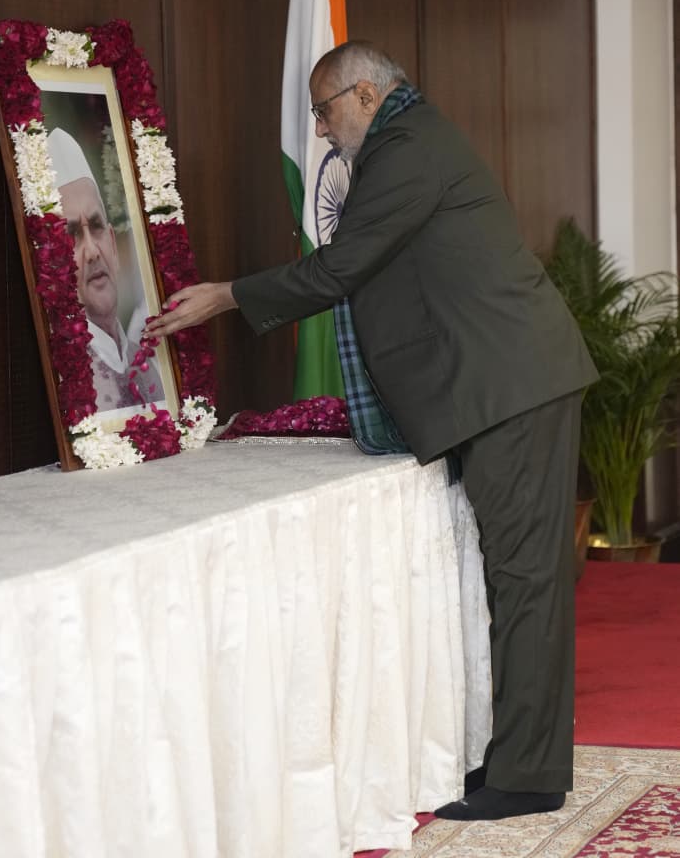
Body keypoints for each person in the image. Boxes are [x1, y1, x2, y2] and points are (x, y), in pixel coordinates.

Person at [146, 40, 598, 821]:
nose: (320, 130)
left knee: (524, 585)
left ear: (362, 93)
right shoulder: (407, 140)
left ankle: (526, 779)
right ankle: (519, 760)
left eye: (323, 111)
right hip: (502, 382)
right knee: (520, 583)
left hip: (510, 385)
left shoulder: (406, 147)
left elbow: (339, 269)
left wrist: (225, 296)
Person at [47, 127, 164, 413]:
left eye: (96, 228)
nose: (92, 251)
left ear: (112, 242)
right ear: (52, 265)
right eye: (72, 235)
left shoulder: (154, 367)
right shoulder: (60, 375)